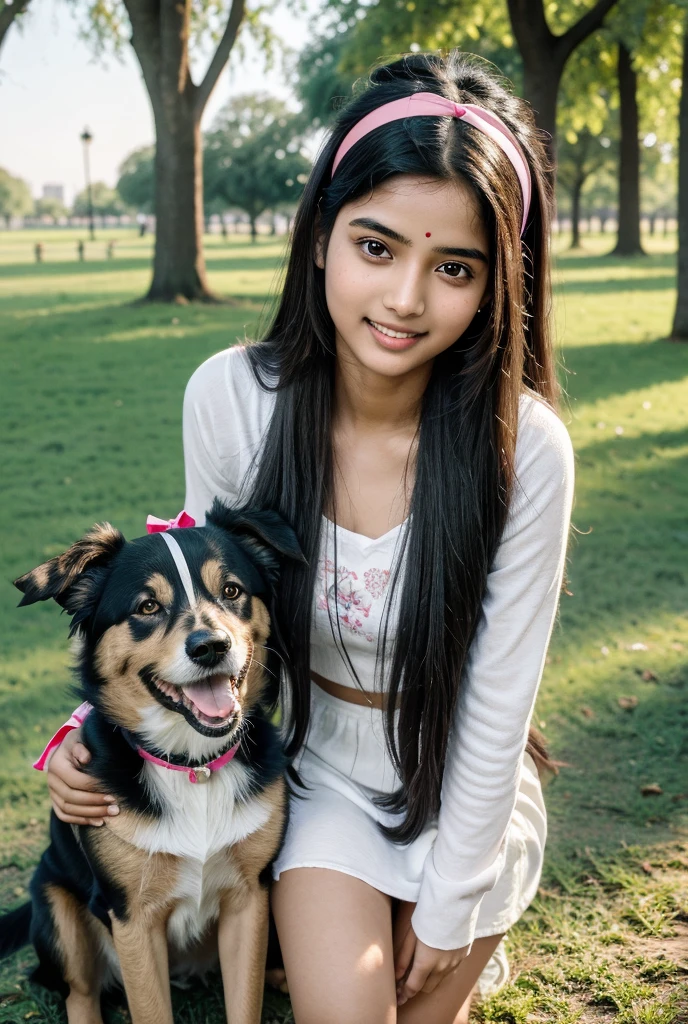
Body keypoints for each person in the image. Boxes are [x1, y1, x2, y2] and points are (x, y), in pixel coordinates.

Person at [39, 51, 574, 1024]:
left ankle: (463, 916)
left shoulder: (525, 448)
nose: (406, 297)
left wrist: (451, 907)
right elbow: (201, 602)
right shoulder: (233, 398)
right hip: (322, 769)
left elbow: (501, 705)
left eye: (453, 266)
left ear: (500, 281)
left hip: (463, 781)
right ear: (322, 233)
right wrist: (92, 734)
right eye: (376, 247)